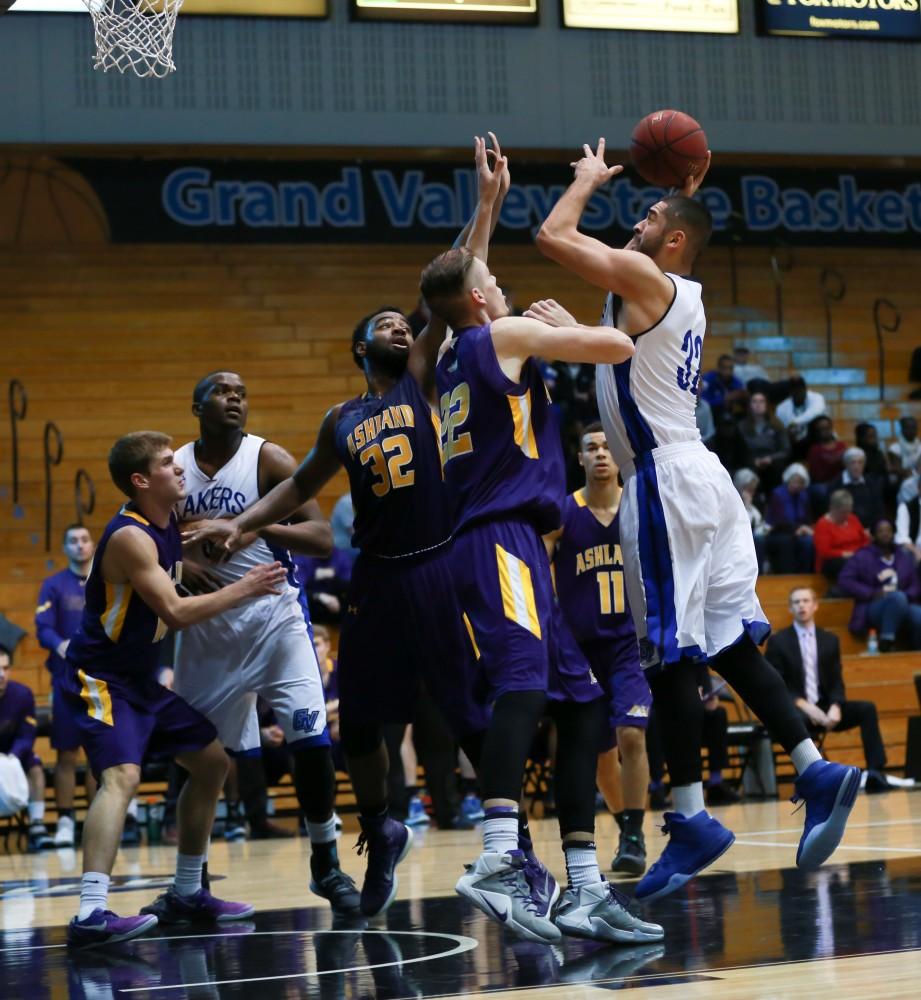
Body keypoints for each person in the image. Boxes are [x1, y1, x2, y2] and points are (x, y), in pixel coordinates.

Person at [182, 142, 500, 920]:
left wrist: (485, 202)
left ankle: (506, 843)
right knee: (360, 722)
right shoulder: (342, 417)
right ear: (363, 348)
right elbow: (298, 487)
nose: (402, 327)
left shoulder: (426, 375)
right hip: (377, 577)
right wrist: (239, 526)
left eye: (406, 322)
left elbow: (451, 284)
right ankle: (381, 827)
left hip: (438, 564)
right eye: (387, 325)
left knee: (464, 711)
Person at [536, 137, 859, 902]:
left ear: (672, 239)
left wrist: (583, 181)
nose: (636, 220)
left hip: (664, 486)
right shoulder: (679, 288)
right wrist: (683, 190)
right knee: (727, 646)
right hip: (705, 479)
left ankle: (690, 820)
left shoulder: (648, 280)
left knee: (670, 658)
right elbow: (643, 247)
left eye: (649, 215)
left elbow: (551, 237)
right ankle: (816, 770)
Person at [421, 135, 661, 945]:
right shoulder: (506, 335)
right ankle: (496, 856)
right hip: (500, 545)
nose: (499, 281)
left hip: (502, 541)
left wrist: (486, 206)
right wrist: (562, 319)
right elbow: (621, 344)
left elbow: (458, 277)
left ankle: (586, 887)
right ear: (486, 303)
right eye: (494, 283)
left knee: (584, 706)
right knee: (521, 690)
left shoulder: (455, 351)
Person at [59, 431, 286, 947]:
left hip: (138, 680)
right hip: (101, 677)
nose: (179, 468)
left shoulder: (168, 526)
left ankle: (187, 893)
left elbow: (175, 567)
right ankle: (90, 913)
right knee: (122, 777)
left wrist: (195, 565)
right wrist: (243, 587)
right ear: (141, 481)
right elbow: (176, 613)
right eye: (167, 464)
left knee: (211, 762)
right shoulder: (129, 536)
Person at [172, 372, 359, 904]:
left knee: (311, 742)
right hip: (209, 627)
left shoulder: (267, 459)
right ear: (196, 405)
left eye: (242, 391)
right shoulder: (177, 469)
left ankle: (325, 861)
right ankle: (191, 884)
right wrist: (180, 560)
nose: (235, 397)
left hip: (277, 619)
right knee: (200, 759)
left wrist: (249, 526)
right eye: (223, 391)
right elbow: (147, 539)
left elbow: (322, 538)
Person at [544, 423, 653, 876]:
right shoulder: (564, 511)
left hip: (630, 642)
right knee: (600, 750)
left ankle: (634, 832)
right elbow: (534, 565)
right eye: (592, 447)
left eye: (608, 447)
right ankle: (624, 821)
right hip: (580, 649)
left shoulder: (640, 505)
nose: (601, 454)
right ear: (581, 458)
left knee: (632, 734)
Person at [767, 588, 892, 791]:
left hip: (825, 705)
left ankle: (875, 772)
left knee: (867, 709)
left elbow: (836, 681)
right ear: (790, 608)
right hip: (797, 708)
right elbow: (777, 685)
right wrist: (804, 706)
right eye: (796, 602)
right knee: (797, 719)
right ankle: (810, 777)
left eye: (806, 601)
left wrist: (836, 705)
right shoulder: (778, 642)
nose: (801, 605)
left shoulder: (829, 640)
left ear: (815, 605)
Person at [35, 524, 99, 847]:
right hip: (65, 681)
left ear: (93, 544)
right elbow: (42, 629)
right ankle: (63, 820)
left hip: (101, 680)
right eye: (72, 540)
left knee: (97, 753)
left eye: (84, 539)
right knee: (66, 753)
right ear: (65, 547)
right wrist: (63, 647)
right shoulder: (53, 585)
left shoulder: (105, 580)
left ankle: (97, 819)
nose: (79, 545)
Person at [837, 520, 921, 652]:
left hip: (903, 602)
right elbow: (845, 580)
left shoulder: (903, 555)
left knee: (918, 614)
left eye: (888, 530)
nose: (885, 534)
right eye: (880, 531)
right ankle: (887, 641)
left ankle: (917, 653)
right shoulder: (862, 555)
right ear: (873, 535)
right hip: (873, 604)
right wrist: (871, 592)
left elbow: (915, 583)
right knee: (897, 597)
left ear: (894, 533)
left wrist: (907, 595)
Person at [0, 647, 54, 851]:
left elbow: (27, 733)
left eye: (5, 668)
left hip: (14, 752)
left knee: (35, 767)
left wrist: (13, 756)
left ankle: (37, 825)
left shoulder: (22, 694)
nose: (1, 674)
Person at [765, 463, 815, 574]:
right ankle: (787, 576)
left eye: (800, 482)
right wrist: (796, 530)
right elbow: (778, 520)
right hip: (778, 531)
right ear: (788, 479)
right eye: (795, 481)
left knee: (808, 542)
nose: (797, 485)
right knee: (786, 541)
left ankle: (804, 575)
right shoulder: (777, 494)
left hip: (799, 531)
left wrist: (805, 529)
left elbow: (807, 518)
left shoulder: (804, 496)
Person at [738, 392, 790, 493]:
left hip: (772, 465)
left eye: (762, 401)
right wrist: (753, 461)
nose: (758, 404)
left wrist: (771, 459)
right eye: (754, 401)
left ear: (767, 405)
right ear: (749, 405)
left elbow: (786, 450)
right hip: (749, 464)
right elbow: (738, 451)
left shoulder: (777, 425)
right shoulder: (742, 426)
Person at [813, 490, 868, 583]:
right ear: (832, 508)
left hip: (857, 556)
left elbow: (865, 540)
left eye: (848, 511)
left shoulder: (852, 518)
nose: (847, 515)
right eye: (843, 512)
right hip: (833, 562)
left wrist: (862, 552)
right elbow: (824, 552)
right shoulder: (822, 525)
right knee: (849, 563)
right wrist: (843, 553)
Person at [828, 447, 886, 533]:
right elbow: (834, 515)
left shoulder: (871, 483)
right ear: (846, 465)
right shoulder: (836, 485)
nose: (856, 467)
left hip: (870, 530)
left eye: (860, 462)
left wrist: (872, 529)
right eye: (853, 463)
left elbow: (879, 510)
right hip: (845, 530)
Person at [293, 549, 353, 624]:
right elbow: (297, 590)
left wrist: (334, 578)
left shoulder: (341, 557)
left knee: (352, 607)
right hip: (311, 606)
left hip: (336, 606)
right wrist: (319, 596)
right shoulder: (302, 559)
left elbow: (351, 586)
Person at [732, 469, 769, 574]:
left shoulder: (754, 504)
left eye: (753, 490)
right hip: (736, 539)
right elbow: (742, 525)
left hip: (753, 537)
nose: (751, 493)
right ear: (740, 488)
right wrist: (746, 506)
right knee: (758, 540)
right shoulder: (732, 503)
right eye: (748, 490)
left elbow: (759, 523)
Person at [775, 376, 827, 450]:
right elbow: (781, 429)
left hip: (817, 441)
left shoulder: (817, 397)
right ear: (790, 392)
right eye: (795, 390)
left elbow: (815, 412)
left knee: (819, 423)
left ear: (805, 389)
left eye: (801, 389)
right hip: (796, 443)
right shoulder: (781, 408)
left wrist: (795, 422)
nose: (798, 392)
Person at [806, 415, 847, 487]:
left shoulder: (841, 445)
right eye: (822, 429)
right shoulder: (815, 450)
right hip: (824, 484)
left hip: (843, 482)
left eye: (828, 427)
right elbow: (817, 476)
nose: (826, 431)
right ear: (817, 431)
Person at [708, 412, 753, 476]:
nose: (728, 429)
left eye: (730, 425)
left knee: (746, 475)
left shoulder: (740, 440)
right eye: (725, 426)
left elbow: (748, 462)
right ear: (720, 427)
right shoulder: (712, 443)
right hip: (718, 476)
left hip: (738, 474)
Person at [895, 489, 921, 561]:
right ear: (919, 488)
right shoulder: (906, 507)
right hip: (915, 549)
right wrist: (916, 551)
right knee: (904, 551)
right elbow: (902, 538)